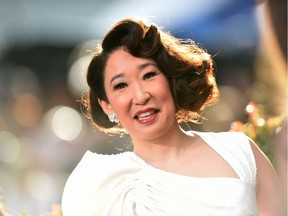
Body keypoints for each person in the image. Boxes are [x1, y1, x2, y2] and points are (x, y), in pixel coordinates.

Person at [61, 18, 282, 215]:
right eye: (121, 85)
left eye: (149, 75)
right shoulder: (100, 186)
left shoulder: (240, 152)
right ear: (107, 105)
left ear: (170, 79)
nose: (140, 96)